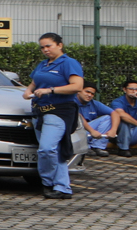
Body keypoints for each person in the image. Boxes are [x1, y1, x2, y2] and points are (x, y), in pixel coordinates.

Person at [26, 33, 84, 201]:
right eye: (42, 47)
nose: (45, 50)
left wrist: (50, 90)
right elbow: (34, 83)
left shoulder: (69, 63)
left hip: (58, 111)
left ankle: (48, 182)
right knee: (55, 151)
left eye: (48, 46)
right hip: (39, 111)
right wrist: (28, 91)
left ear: (60, 45)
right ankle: (62, 187)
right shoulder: (42, 65)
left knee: (47, 148)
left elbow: (77, 86)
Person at [75, 84, 113, 166]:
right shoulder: (71, 101)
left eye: (92, 94)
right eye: (87, 92)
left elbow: (115, 113)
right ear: (79, 91)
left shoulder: (94, 103)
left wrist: (113, 130)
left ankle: (97, 146)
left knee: (108, 117)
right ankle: (87, 147)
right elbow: (79, 117)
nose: (89, 95)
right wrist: (92, 131)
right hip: (74, 133)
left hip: (86, 133)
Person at [108, 79, 137, 155]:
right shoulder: (117, 102)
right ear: (124, 89)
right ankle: (123, 149)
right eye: (131, 89)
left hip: (135, 132)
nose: (134, 91)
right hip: (119, 134)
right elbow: (121, 115)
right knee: (124, 121)